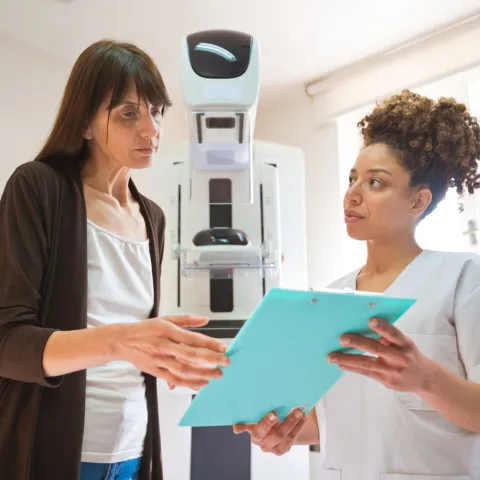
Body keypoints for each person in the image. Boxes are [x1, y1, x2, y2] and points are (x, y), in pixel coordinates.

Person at [0, 39, 230, 480]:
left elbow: (136, 343)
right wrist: (118, 341)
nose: (151, 130)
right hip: (54, 449)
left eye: (156, 112)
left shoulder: (153, 218)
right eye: (129, 114)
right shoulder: (38, 188)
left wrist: (171, 355)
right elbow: (8, 343)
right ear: (85, 123)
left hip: (131, 449)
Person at [234, 90, 480, 479]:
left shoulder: (464, 278)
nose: (352, 193)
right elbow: (333, 419)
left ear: (418, 203)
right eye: (352, 179)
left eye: (375, 183)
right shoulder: (331, 297)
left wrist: (424, 378)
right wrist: (282, 431)